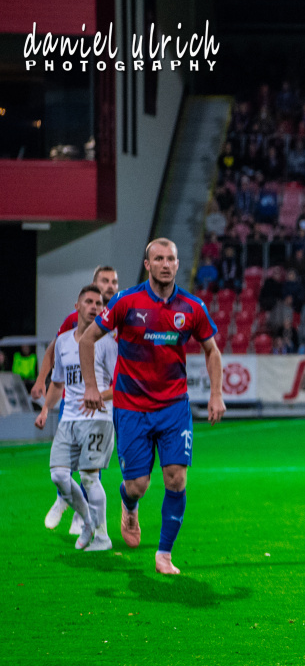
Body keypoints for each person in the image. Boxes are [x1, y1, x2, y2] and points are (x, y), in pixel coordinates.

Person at [79, 239, 226, 575]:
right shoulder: (125, 301)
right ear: (147, 265)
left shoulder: (192, 307)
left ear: (177, 264)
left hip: (174, 407)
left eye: (170, 258)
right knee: (138, 485)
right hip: (131, 407)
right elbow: (87, 339)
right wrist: (90, 386)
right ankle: (128, 503)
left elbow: (212, 350)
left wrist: (216, 394)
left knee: (176, 479)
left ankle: (164, 554)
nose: (165, 264)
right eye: (158, 258)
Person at [35, 265, 120, 535]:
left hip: (103, 404)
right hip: (71, 403)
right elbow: (54, 349)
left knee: (90, 466)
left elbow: (121, 369)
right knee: (62, 465)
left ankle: (82, 517)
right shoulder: (74, 319)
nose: (110, 286)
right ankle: (63, 499)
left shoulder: (119, 318)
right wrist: (41, 381)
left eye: (114, 282)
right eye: (104, 281)